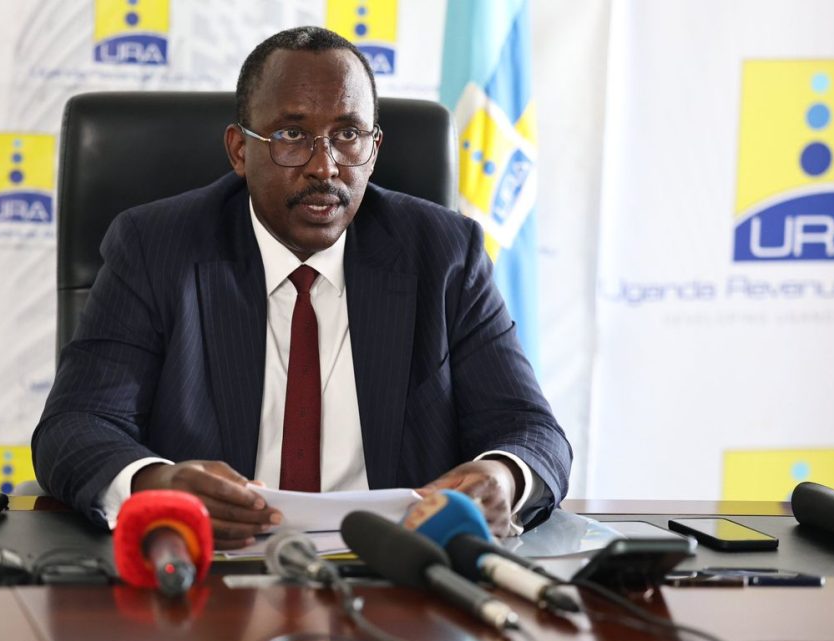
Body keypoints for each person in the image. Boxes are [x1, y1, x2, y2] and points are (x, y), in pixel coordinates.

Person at [32, 26, 571, 549]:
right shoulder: (156, 247)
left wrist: (504, 478)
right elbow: (76, 425)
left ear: (374, 149)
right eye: (292, 135)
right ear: (239, 150)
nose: (324, 167)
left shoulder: (445, 254)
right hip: (212, 571)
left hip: (395, 569)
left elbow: (530, 429)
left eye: (348, 135)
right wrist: (158, 485)